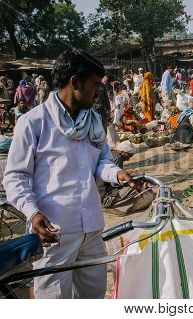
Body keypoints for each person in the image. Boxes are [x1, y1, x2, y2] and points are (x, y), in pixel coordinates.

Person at [2, 48, 135, 299]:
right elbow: (15, 177)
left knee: (92, 296)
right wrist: (32, 211)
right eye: (95, 84)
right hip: (53, 232)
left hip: (92, 229)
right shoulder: (33, 123)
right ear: (76, 82)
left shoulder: (93, 121)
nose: (99, 91)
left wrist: (116, 173)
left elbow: (101, 161)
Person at [98, 140, 154, 216]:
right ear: (123, 152)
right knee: (139, 191)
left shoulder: (111, 154)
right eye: (129, 155)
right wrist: (134, 181)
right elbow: (115, 183)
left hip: (99, 194)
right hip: (105, 197)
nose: (129, 159)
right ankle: (114, 207)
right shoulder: (118, 157)